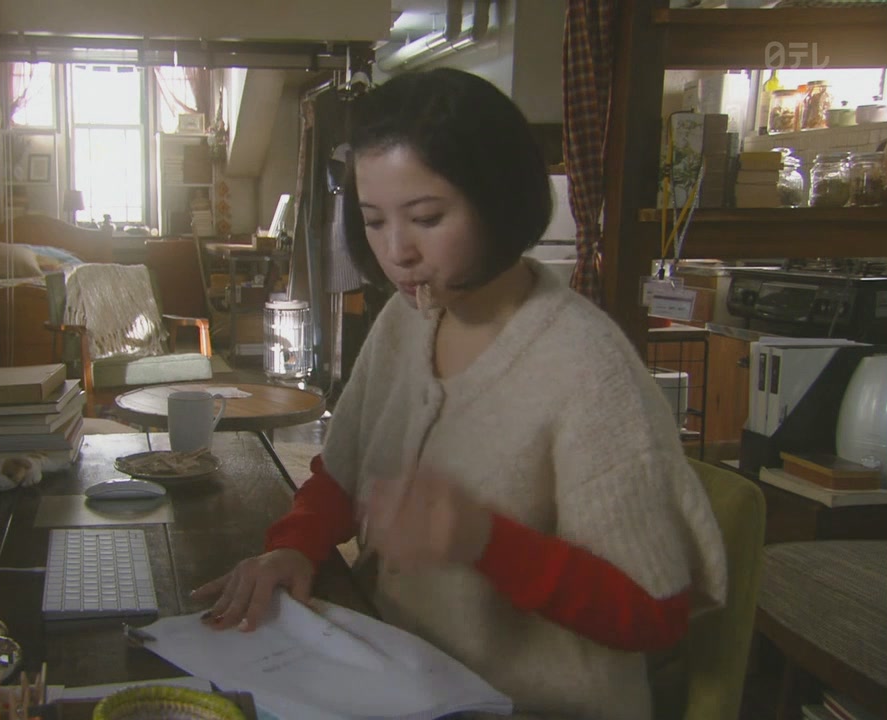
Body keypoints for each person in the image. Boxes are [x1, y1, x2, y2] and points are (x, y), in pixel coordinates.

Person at [191, 68, 727, 720]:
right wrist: (294, 545)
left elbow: (655, 613)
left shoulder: (588, 368)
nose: (397, 252)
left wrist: (483, 540)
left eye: (426, 218)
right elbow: (345, 472)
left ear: (498, 200)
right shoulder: (406, 320)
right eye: (374, 221)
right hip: (400, 675)